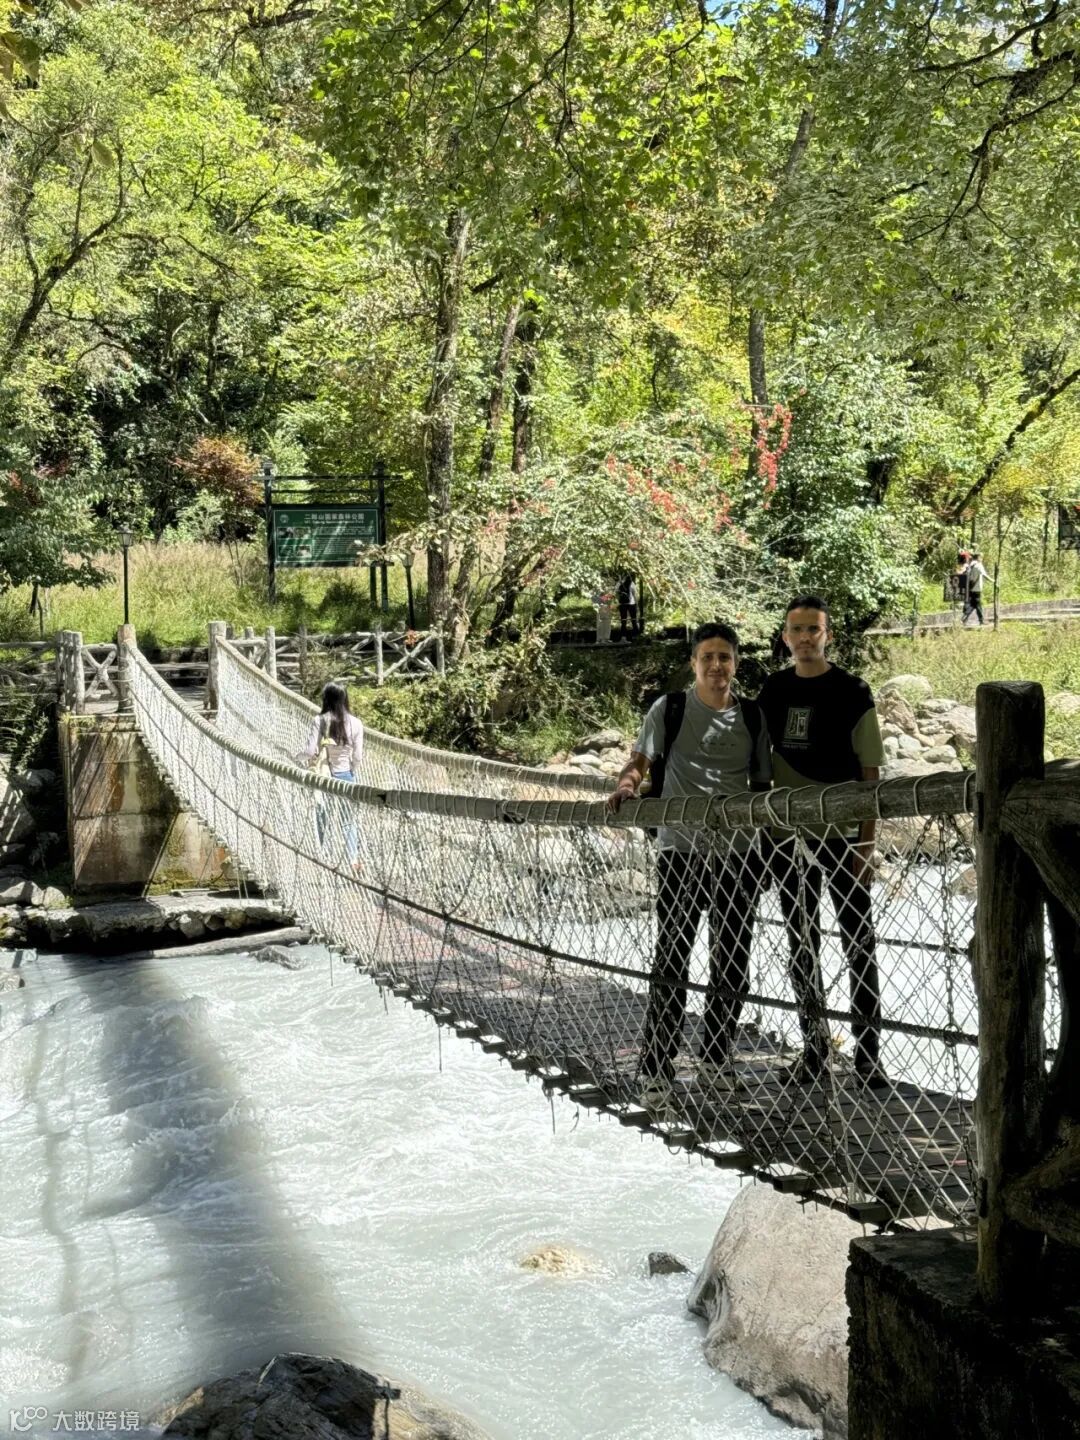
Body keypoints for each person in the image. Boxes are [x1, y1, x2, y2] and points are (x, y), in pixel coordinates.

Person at [607, 622, 772, 1111]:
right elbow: (640, 760)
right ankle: (656, 1070)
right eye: (708, 657)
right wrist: (626, 786)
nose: (716, 665)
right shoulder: (671, 709)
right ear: (694, 663)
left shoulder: (753, 716)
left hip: (739, 856)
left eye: (725, 657)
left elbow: (762, 788)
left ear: (735, 663)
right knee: (673, 960)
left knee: (733, 964)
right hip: (681, 852)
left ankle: (715, 1059)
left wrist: (770, 849)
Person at [757, 596, 887, 1087]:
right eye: (797, 629)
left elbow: (871, 774)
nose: (805, 637)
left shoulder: (852, 691)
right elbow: (757, 762)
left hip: (844, 838)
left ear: (827, 635)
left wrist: (867, 844)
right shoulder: (773, 690)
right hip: (788, 840)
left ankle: (868, 1057)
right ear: (785, 637)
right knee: (801, 943)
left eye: (814, 629)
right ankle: (814, 1050)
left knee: (859, 944)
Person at [298, 683, 364, 868]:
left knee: (322, 815)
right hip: (346, 776)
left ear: (326, 699)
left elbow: (310, 751)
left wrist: (296, 758)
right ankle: (352, 859)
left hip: (324, 776)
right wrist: (352, 770)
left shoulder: (320, 720)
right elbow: (358, 756)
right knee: (348, 820)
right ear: (345, 699)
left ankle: (323, 856)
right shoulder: (356, 723)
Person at [964, 551, 989, 626]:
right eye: (981, 557)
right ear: (978, 557)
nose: (982, 559)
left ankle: (964, 618)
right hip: (977, 588)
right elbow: (984, 575)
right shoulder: (978, 565)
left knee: (973, 605)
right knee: (977, 605)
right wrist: (994, 581)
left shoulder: (970, 565)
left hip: (971, 587)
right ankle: (981, 621)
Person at [617, 574, 639, 640]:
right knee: (634, 620)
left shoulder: (619, 583)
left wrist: (619, 601)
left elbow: (617, 593)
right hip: (631, 603)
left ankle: (623, 637)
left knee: (623, 621)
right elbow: (634, 594)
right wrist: (636, 604)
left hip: (622, 604)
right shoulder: (632, 583)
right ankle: (636, 636)